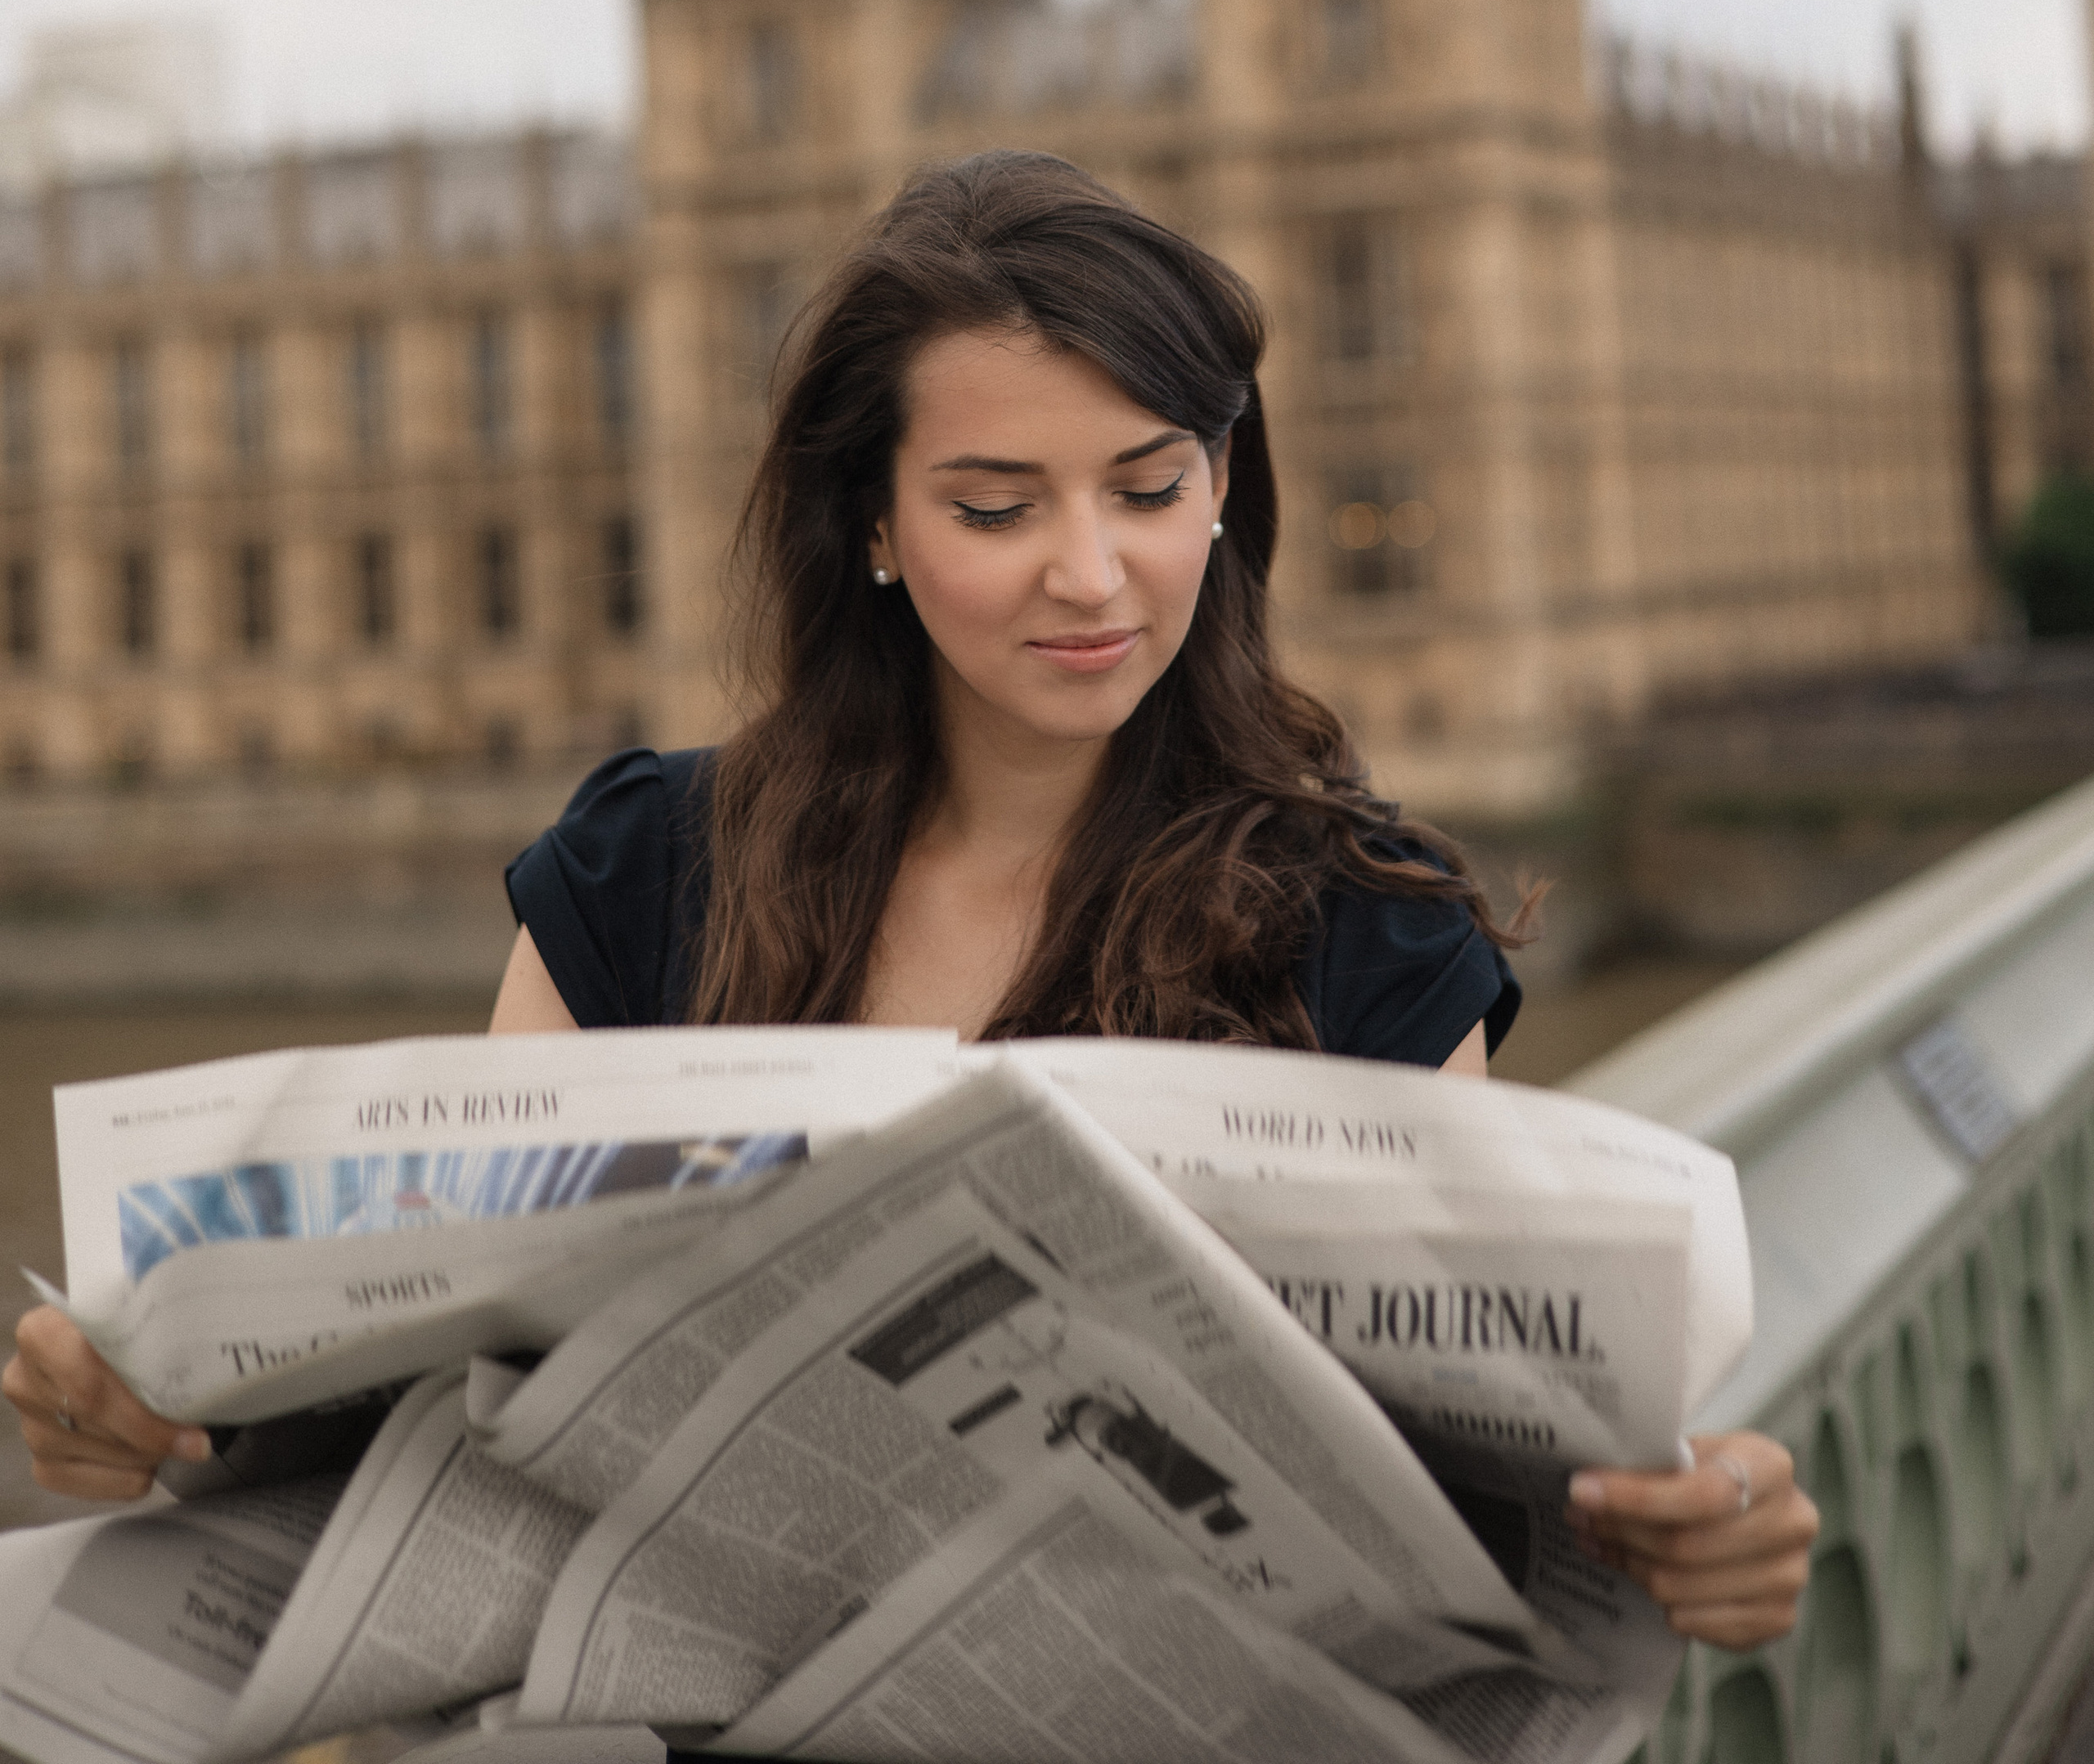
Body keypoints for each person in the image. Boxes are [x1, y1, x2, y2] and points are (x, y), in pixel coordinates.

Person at [7, 149, 1816, 1652]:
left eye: (1147, 485)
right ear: (871, 523)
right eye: (994, 505)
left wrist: (1695, 1525)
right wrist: (169, 1421)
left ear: (1224, 487)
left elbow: (1502, 1481)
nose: (1090, 574)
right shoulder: (640, 881)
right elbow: (457, 1415)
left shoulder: (1360, 927)